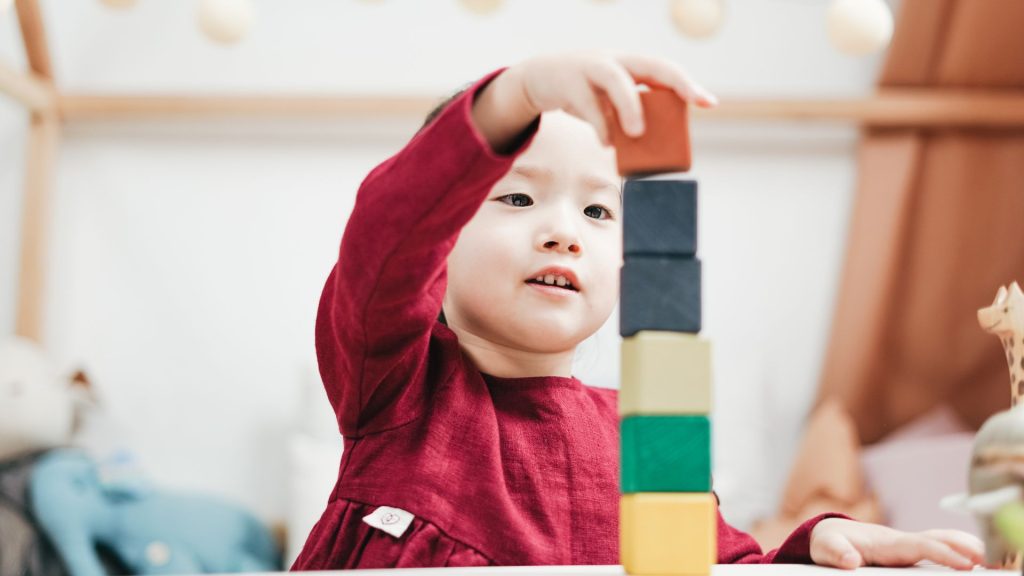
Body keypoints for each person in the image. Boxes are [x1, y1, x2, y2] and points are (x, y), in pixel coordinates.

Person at [291, 52, 985, 570]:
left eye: (597, 209)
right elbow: (387, 233)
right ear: (439, 243)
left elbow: (716, 564)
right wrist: (518, 95)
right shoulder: (395, 392)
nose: (563, 231)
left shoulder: (646, 434)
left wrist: (809, 550)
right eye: (517, 198)